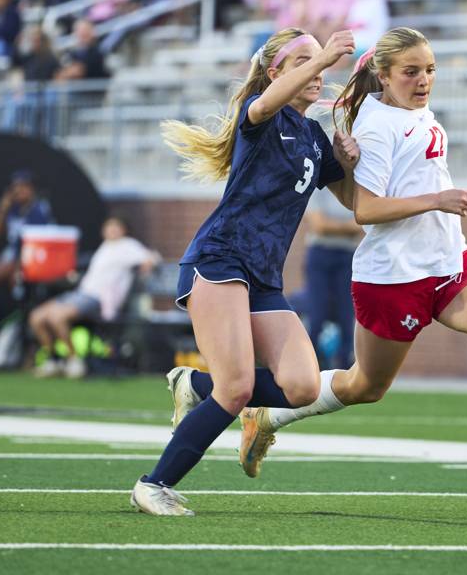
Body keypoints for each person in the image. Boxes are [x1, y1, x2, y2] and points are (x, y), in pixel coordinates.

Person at [237, 27, 467, 497]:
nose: (423, 80)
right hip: (393, 279)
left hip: (450, 264)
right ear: (384, 76)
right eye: (411, 72)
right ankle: (266, 415)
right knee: (365, 386)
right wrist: (438, 199)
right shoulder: (375, 125)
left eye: (429, 70)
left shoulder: (418, 111)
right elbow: (365, 210)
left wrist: (439, 205)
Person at [129, 27, 359, 516]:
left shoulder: (313, 136)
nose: (316, 67)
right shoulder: (262, 111)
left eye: (318, 59)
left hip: (263, 277)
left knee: (301, 385)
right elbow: (263, 103)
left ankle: (194, 386)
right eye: (302, 60)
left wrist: (349, 161)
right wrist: (323, 60)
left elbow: (354, 200)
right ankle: (153, 484)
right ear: (275, 72)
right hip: (220, 261)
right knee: (236, 390)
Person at [30, 217, 160, 379]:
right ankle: (53, 360)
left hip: (99, 300)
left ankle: (74, 361)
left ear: (124, 230)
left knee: (57, 317)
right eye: (109, 226)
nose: (112, 230)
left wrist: (148, 264)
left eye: (116, 227)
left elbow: (153, 257)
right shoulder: (105, 247)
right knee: (37, 317)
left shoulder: (128, 245)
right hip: (81, 294)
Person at [0, 170, 52, 329]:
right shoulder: (13, 208)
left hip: (30, 259)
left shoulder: (39, 209)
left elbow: (40, 241)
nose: (19, 191)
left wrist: (18, 263)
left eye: (23, 187)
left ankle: (15, 324)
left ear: (32, 188)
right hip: (11, 256)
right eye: (15, 188)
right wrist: (3, 207)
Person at [302, 188, 362, 369]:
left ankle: (344, 367)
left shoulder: (357, 189)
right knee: (317, 313)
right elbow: (318, 226)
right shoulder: (319, 190)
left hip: (348, 256)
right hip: (320, 254)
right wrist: (347, 227)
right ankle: (310, 365)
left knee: (346, 315)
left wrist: (332, 226)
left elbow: (361, 225)